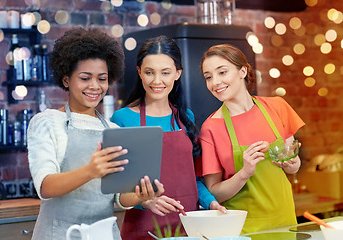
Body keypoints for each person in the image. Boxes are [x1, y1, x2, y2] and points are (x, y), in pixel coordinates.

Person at [27, 28, 164, 240]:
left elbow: (119, 198)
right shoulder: (47, 122)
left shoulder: (113, 130)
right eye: (85, 78)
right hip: (59, 235)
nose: (94, 86)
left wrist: (140, 195)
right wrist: (90, 170)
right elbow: (45, 186)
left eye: (102, 79)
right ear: (66, 80)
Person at [111, 35, 226, 240]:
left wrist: (211, 202)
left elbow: (193, 179)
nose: (157, 81)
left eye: (165, 73)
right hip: (143, 230)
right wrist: (144, 201)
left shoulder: (185, 117)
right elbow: (115, 192)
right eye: (149, 72)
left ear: (177, 74)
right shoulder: (122, 119)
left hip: (188, 227)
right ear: (139, 72)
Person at [197, 44, 305, 234]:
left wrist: (293, 164)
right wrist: (244, 173)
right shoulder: (211, 128)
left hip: (285, 220)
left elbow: (294, 165)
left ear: (242, 71)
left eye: (222, 72)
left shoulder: (277, 107)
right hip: (242, 229)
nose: (215, 82)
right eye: (208, 77)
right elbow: (213, 192)